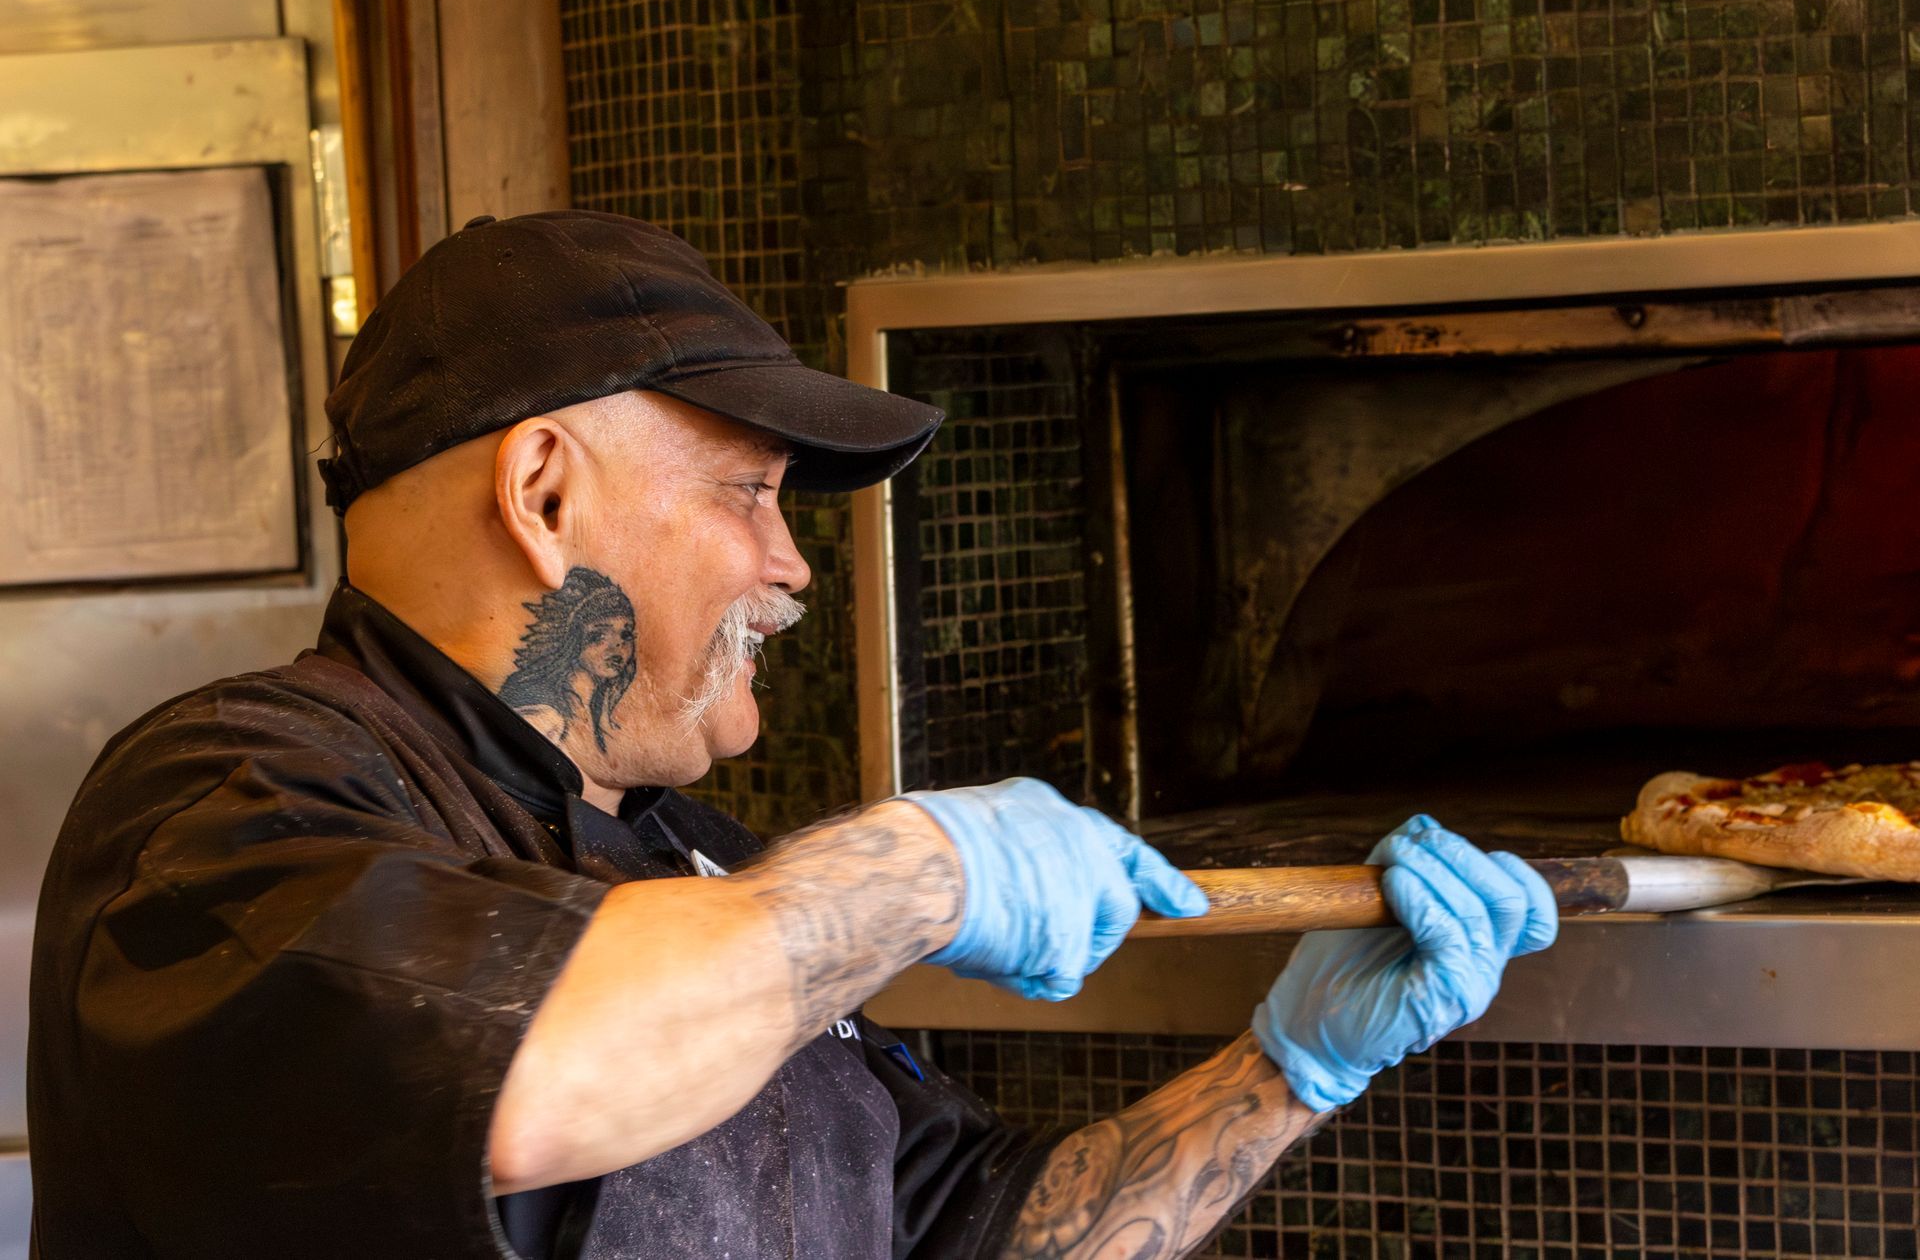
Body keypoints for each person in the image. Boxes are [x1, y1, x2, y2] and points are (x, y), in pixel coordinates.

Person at [27, 212, 1558, 1259]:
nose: (794, 567)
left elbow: (974, 1233)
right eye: (747, 493)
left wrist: (1286, 1072)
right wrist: (911, 870)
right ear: (545, 496)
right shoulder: (226, 801)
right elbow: (525, 1067)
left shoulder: (687, 861)